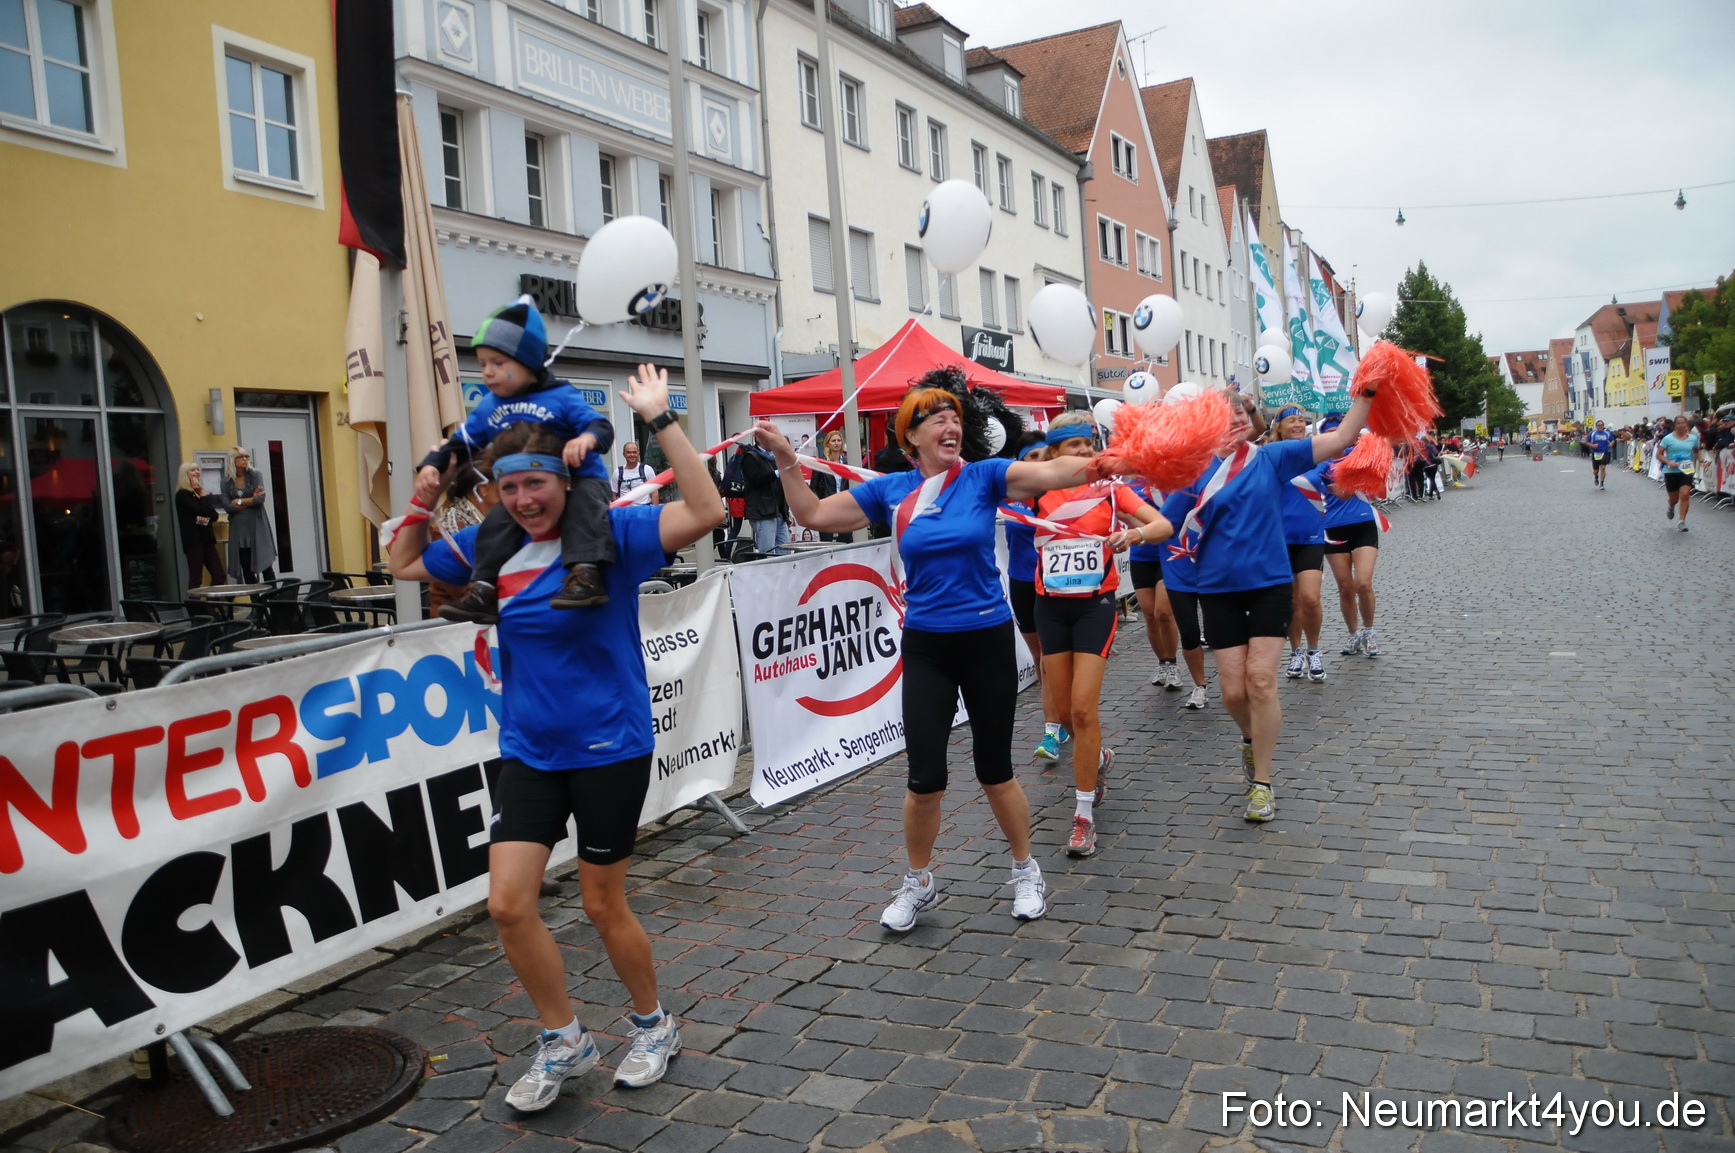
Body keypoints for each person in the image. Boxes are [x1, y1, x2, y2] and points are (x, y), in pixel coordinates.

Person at [389, 364, 723, 1109]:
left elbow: (705, 508)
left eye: (535, 485)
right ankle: (563, 1037)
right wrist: (426, 483)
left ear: (566, 480)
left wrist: (660, 419)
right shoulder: (493, 546)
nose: (523, 500)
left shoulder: (613, 532)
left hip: (609, 745)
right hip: (530, 749)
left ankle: (653, 1023)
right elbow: (403, 561)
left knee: (604, 903)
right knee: (508, 903)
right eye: (508, 489)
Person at [753, 383, 1101, 931]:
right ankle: (918, 882)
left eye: (954, 416)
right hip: (927, 647)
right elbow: (813, 513)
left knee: (995, 769)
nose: (949, 425)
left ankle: (1024, 868)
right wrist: (786, 460)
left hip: (985, 640)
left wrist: (1130, 458)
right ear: (910, 436)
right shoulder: (892, 491)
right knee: (925, 777)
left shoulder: (984, 478)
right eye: (934, 418)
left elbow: (1058, 474)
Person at [1159, 389, 1372, 822]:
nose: (1237, 419)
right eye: (1227, 414)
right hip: (1217, 589)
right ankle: (1251, 738)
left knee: (1260, 681)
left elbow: (1344, 435)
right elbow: (1166, 520)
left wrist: (1366, 391)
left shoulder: (1270, 458)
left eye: (1241, 412)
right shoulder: (1195, 470)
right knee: (1232, 692)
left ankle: (1262, 782)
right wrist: (1132, 530)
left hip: (1270, 584)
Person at [422, 296, 617, 623]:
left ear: (527, 360)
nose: (487, 372)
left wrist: (586, 439)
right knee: (497, 521)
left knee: (585, 507)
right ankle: (484, 586)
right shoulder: (489, 406)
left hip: (580, 479)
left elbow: (600, 425)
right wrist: (432, 464)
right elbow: (461, 442)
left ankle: (586, 574)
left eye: (498, 363)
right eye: (483, 364)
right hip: (524, 487)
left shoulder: (561, 396)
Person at [1031, 412, 1170, 858]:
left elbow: (1163, 524)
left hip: (1095, 605)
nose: (1088, 454)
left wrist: (1134, 534)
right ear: (1054, 452)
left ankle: (1083, 815)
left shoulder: (1111, 487)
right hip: (1049, 606)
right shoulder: (1036, 484)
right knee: (1068, 718)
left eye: (1091, 446)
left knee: (1081, 709)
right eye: (1076, 447)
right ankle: (1099, 759)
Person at [1007, 433, 1069, 762]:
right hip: (1020, 581)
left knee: (1048, 658)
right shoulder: (1009, 495)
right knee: (1039, 658)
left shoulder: (1057, 495)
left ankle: (1052, 728)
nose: (1034, 461)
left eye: (1039, 455)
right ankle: (1061, 712)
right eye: (1028, 456)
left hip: (1051, 582)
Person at [1271, 408, 1327, 683]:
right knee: (1291, 603)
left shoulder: (1316, 453)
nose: (1298, 424)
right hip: (1279, 540)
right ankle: (1296, 652)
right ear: (1279, 426)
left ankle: (1314, 650)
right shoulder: (1269, 456)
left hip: (1311, 538)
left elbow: (1336, 482)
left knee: (1310, 598)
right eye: (1291, 420)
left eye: (1301, 420)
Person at [1126, 477, 1182, 693]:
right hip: (1141, 554)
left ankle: (1173, 664)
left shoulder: (1175, 480)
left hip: (1169, 553)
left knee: (1163, 612)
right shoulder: (1131, 485)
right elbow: (1127, 514)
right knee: (1149, 614)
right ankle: (1162, 663)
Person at [221, 448, 276, 582]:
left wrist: (238, 501)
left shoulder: (255, 475)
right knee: (246, 566)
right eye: (241, 457)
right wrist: (250, 499)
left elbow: (260, 499)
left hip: (256, 524)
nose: (245, 459)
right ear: (233, 460)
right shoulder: (226, 481)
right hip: (239, 527)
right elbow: (227, 507)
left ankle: (275, 598)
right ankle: (255, 601)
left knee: (265, 564)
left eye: (246, 456)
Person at [175, 462, 227, 589]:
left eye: (198, 469)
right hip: (194, 541)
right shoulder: (183, 495)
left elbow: (214, 516)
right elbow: (202, 513)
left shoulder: (198, 494)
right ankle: (196, 608)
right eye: (193, 470)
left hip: (207, 539)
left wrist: (202, 494)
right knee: (196, 578)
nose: (197, 472)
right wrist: (203, 516)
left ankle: (210, 605)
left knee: (219, 576)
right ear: (185, 475)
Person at [738, 441, 790, 556]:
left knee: (785, 553)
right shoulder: (750, 457)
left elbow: (779, 488)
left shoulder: (771, 458)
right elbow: (755, 480)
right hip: (763, 513)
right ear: (760, 438)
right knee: (768, 554)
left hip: (778, 513)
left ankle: (782, 574)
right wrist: (776, 473)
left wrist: (785, 511)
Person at [807, 430, 855, 543]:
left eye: (839, 440)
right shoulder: (821, 463)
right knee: (827, 540)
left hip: (845, 506)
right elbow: (813, 487)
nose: (837, 443)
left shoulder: (847, 463)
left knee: (846, 539)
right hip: (827, 506)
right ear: (828, 443)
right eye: (834, 441)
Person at [1658, 414, 1703, 531]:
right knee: (1674, 498)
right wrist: (1668, 462)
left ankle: (1681, 521)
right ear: (1675, 425)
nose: (1681, 425)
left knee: (1685, 494)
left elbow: (1697, 450)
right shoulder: (1668, 438)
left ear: (1686, 424)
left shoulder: (1693, 438)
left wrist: (1701, 461)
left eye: (1683, 423)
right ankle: (1671, 506)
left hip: (1686, 470)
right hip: (1671, 471)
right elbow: (1659, 454)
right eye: (1678, 423)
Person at [1587, 420, 1614, 490]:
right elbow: (1587, 442)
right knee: (1596, 471)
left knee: (1603, 467)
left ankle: (1602, 483)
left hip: (1604, 452)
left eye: (1601, 425)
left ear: (1603, 426)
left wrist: (1611, 444)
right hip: (1595, 452)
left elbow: (1612, 440)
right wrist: (1592, 445)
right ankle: (1596, 477)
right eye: (1598, 425)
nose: (1600, 426)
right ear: (1596, 426)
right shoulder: (1592, 433)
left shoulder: (1607, 433)